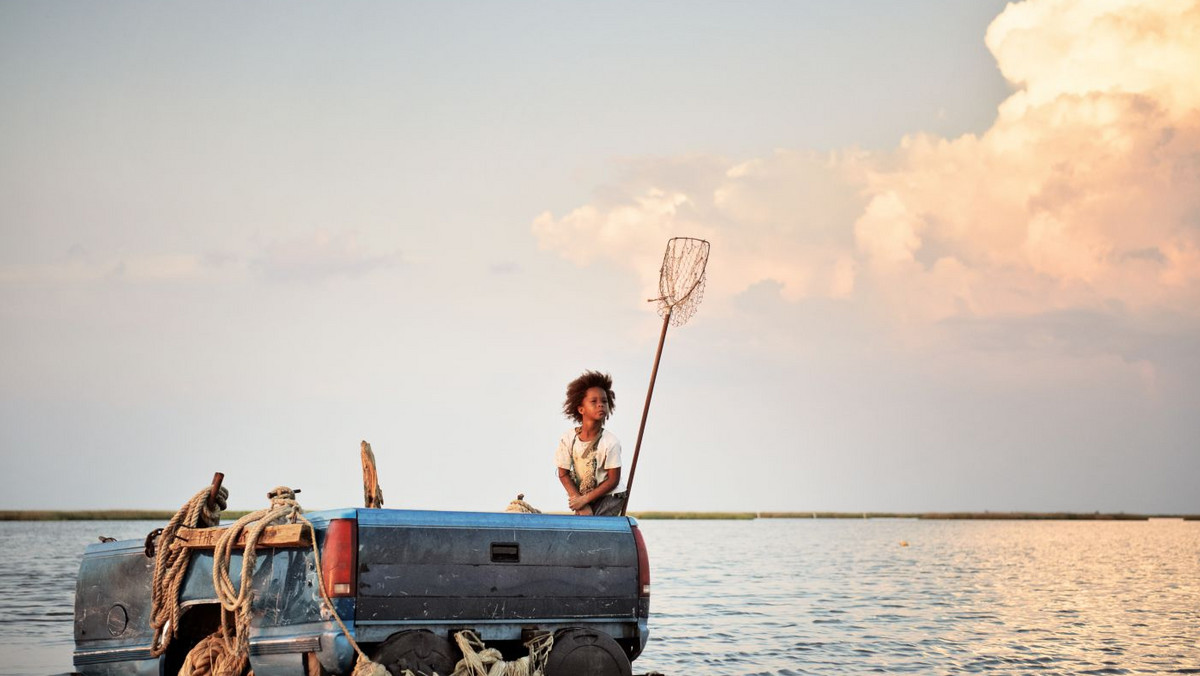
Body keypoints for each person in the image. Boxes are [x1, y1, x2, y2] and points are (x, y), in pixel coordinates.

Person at [555, 370, 626, 516]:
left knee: (593, 525)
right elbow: (563, 474)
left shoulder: (610, 442)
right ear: (581, 409)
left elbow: (613, 480)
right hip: (584, 495)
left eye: (604, 401)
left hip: (610, 496)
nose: (600, 405)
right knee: (582, 522)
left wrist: (584, 500)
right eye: (594, 401)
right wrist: (578, 501)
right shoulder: (568, 439)